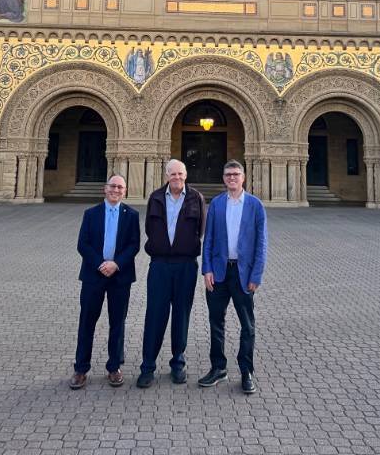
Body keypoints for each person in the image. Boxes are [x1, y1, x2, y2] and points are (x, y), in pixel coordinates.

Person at [199, 160, 267, 394]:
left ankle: (246, 371)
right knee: (216, 322)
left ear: (243, 177)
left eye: (236, 174)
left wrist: (256, 275)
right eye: (228, 174)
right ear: (223, 178)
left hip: (243, 274)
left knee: (247, 325)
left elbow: (261, 244)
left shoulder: (255, 205)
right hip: (219, 273)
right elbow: (208, 240)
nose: (232, 178)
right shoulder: (217, 204)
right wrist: (207, 269)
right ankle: (218, 368)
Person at [136, 159, 206, 388]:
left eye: (180, 174)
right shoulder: (156, 197)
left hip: (186, 265)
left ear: (186, 175)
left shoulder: (196, 198)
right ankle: (148, 367)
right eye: (172, 174)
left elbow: (201, 230)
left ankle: (178, 363)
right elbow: (149, 228)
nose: (177, 177)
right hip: (160, 265)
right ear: (166, 175)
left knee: (181, 315)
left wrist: (185, 246)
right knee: (155, 315)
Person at [69, 174, 140, 390]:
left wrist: (116, 264)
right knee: (87, 322)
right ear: (105, 188)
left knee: (117, 322)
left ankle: (114, 367)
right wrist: (101, 264)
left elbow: (134, 245)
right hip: (94, 275)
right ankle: (81, 369)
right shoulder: (91, 214)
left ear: (125, 191)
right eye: (112, 186)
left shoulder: (132, 215)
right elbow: (83, 244)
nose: (116, 190)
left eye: (120, 187)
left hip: (120, 276)